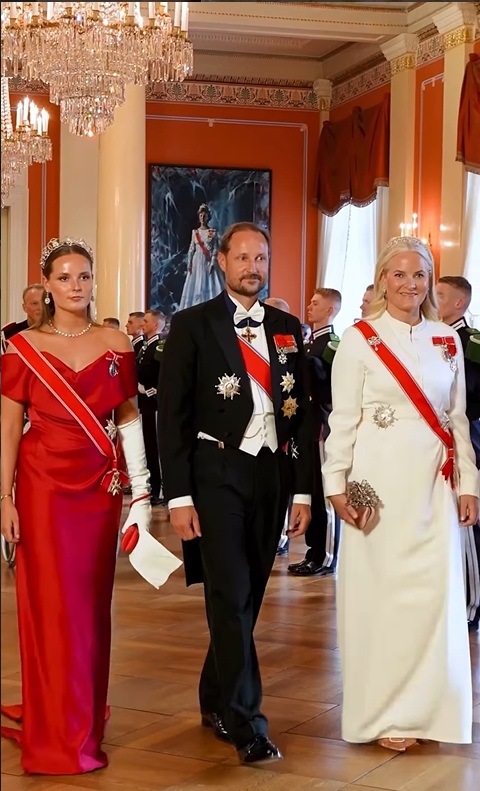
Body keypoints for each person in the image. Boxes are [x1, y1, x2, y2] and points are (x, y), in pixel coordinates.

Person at [158, 222, 312, 763]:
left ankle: (214, 698)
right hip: (216, 474)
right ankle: (247, 723)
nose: (253, 267)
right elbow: (171, 417)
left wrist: (304, 494)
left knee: (246, 601)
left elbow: (304, 419)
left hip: (271, 476)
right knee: (228, 594)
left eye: (261, 257)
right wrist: (177, 497)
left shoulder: (290, 328)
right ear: (221, 260)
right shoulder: (193, 325)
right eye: (242, 257)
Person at [0, 237, 152, 775]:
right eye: (63, 279)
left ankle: (83, 718)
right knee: (49, 605)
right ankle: (51, 721)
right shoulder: (22, 347)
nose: (74, 287)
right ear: (46, 285)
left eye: (83, 277)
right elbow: (8, 428)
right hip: (41, 487)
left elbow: (129, 416)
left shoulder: (116, 342)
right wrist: (4, 499)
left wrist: (142, 488)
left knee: (89, 607)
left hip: (98, 489)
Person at [323, 236, 478, 752]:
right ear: (383, 278)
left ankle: (432, 710)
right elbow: (343, 421)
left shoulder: (446, 340)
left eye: (419, 276)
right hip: (376, 486)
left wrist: (468, 485)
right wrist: (335, 487)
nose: (410, 285)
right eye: (399, 275)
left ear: (430, 283)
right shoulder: (359, 338)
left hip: (434, 487)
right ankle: (384, 711)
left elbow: (456, 421)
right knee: (382, 600)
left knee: (433, 602)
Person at [436, 275, 480, 631]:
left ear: (459, 304)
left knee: (468, 528)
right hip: (432, 445)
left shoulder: (471, 343)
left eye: (439, 295)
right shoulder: (427, 338)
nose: (430, 300)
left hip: (467, 442)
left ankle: (471, 602)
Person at [289, 287, 342, 577]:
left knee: (323, 493)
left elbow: (333, 390)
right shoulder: (310, 345)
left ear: (330, 310)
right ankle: (314, 551)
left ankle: (326, 554)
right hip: (307, 424)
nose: (309, 307)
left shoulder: (333, 345)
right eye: (309, 301)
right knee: (309, 486)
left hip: (322, 423)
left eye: (316, 303)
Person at [137, 309, 165, 506]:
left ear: (155, 325)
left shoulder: (161, 345)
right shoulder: (145, 346)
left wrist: (152, 389)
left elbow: (163, 372)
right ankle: (152, 487)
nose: (142, 324)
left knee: (156, 447)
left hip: (154, 402)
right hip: (144, 402)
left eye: (145, 321)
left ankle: (161, 489)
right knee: (148, 446)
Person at [179, 203, 224, 311]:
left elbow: (215, 249)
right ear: (198, 217)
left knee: (209, 283)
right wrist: (189, 263)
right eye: (201, 216)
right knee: (196, 283)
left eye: (205, 215)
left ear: (208, 217)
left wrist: (212, 262)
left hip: (208, 261)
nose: (203, 218)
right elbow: (191, 249)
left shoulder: (212, 232)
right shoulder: (195, 232)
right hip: (196, 261)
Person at [1, 284, 44, 352]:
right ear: (24, 307)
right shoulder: (10, 333)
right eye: (34, 303)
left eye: (44, 303)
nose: (41, 308)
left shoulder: (61, 332)